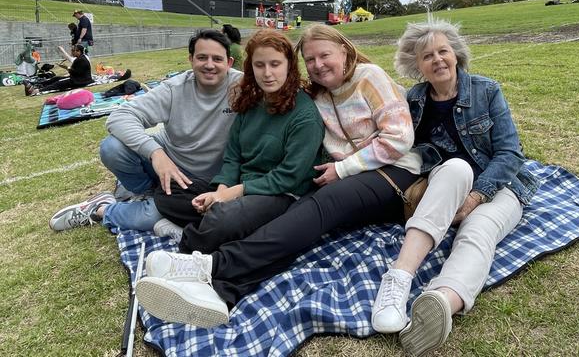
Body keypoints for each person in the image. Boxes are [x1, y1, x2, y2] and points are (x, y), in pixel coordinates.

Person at [135, 23, 422, 328]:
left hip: (378, 174)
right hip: (329, 178)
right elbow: (234, 154)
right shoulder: (315, 93)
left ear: (343, 49)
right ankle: (211, 262)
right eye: (310, 60)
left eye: (323, 55)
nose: (317, 65)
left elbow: (398, 138)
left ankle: (210, 270)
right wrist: (221, 189)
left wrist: (340, 168)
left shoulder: (360, 80)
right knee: (181, 194)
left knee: (298, 218)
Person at [371, 19, 539, 356]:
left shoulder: (486, 90)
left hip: (499, 184)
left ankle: (440, 303)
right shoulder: (414, 99)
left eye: (443, 51)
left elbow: (510, 153)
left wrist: (478, 196)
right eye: (427, 56)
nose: (437, 60)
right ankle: (398, 279)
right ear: (416, 65)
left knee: (479, 231)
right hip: (449, 182)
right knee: (457, 167)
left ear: (456, 55)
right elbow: (402, 144)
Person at [49, 29, 242, 232]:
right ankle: (145, 192)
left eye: (217, 59)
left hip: (208, 181)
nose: (209, 65)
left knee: (150, 218)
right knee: (111, 148)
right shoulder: (174, 89)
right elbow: (119, 117)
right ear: (191, 60)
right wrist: (156, 153)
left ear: (229, 63)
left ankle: (102, 210)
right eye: (202, 57)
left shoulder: (242, 85)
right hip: (169, 164)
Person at [24, 44, 92, 96]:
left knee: (58, 83)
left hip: (80, 81)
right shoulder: (80, 58)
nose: (71, 52)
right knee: (57, 78)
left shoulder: (81, 60)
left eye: (73, 50)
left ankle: (37, 90)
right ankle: (35, 84)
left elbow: (76, 72)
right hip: (79, 79)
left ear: (78, 51)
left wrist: (67, 68)